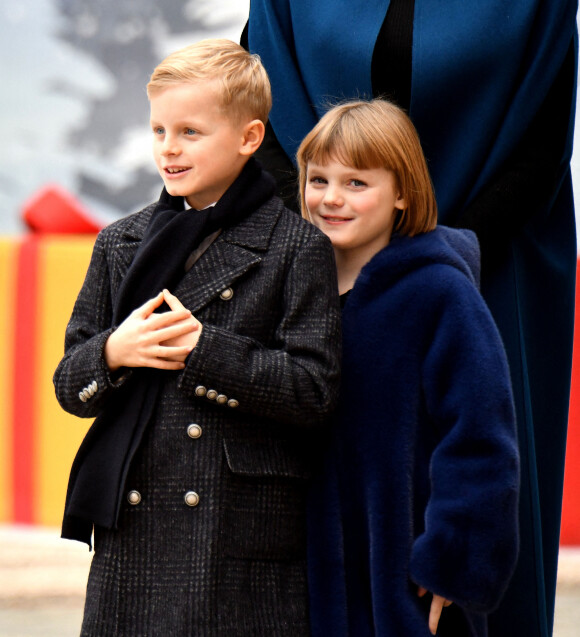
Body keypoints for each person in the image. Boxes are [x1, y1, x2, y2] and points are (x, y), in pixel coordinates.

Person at [245, 3, 577, 635]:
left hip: (490, 265)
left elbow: (539, 148)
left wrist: (433, 259)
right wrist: (326, 243)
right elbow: (258, 118)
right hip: (320, 263)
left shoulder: (541, 7)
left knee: (469, 465)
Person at [53, 38, 341, 636]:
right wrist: (113, 352)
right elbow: (66, 383)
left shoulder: (296, 246)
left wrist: (205, 350)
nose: (169, 149)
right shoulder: (120, 243)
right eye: (159, 130)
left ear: (249, 138)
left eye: (190, 131)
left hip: (239, 540)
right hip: (132, 532)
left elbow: (315, 391)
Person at [297, 99, 519, 636]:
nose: (331, 199)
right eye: (318, 179)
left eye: (356, 183)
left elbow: (481, 437)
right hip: (304, 583)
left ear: (401, 192)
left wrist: (454, 563)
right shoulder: (297, 290)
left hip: (405, 583)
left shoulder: (441, 293)